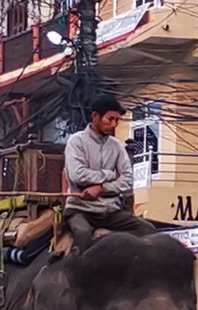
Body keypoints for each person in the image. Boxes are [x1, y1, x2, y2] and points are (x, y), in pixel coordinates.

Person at [63, 93, 156, 237]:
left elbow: (128, 180)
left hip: (110, 212)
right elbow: (78, 175)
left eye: (117, 120)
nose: (114, 125)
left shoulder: (117, 146)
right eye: (110, 119)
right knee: (83, 234)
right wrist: (111, 174)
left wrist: (101, 188)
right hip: (80, 209)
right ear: (95, 116)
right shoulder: (76, 141)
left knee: (148, 229)